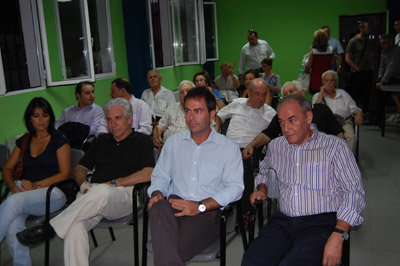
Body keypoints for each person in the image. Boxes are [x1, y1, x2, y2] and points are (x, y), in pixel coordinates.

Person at [17, 98, 155, 266]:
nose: (113, 124)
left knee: (102, 192)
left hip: (125, 195)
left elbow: (149, 173)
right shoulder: (101, 141)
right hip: (91, 194)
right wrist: (83, 184)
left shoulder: (142, 141)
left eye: (118, 118)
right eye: (109, 119)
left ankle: (50, 228)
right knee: (75, 227)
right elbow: (79, 168)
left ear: (130, 119)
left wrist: (115, 183)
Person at [242, 94, 366, 266]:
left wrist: (339, 234)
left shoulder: (335, 147)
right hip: (284, 222)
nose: (286, 128)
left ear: (308, 117)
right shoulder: (276, 146)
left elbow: (354, 192)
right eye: (281, 121)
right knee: (251, 261)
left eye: (292, 120)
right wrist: (262, 189)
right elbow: (264, 170)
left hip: (321, 224)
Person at [147, 87, 244, 266]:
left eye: (198, 111)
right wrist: (156, 193)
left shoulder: (228, 148)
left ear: (212, 114)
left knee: (170, 250)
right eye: (188, 111)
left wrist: (199, 206)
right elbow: (159, 176)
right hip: (173, 203)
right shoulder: (174, 143)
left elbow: (235, 188)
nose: (191, 117)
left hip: (206, 211)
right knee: (158, 206)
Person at [1, 97, 70, 266]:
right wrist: (11, 186)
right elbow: (7, 169)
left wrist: (36, 185)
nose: (41, 120)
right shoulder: (24, 140)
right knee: (13, 225)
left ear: (50, 117)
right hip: (25, 193)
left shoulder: (58, 139)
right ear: (29, 118)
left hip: (53, 192)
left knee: (12, 202)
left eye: (45, 116)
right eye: (36, 116)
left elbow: (64, 173)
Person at [215, 78, 276, 214]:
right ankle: (220, 204)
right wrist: (217, 127)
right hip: (227, 147)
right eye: (256, 94)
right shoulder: (237, 103)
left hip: (250, 149)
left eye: (263, 94)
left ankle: (245, 211)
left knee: (243, 165)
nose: (260, 98)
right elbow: (220, 115)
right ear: (248, 92)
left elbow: (273, 134)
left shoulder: (271, 113)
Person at [242, 81, 344, 160]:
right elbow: (266, 134)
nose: (289, 95)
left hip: (324, 156)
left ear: (302, 93)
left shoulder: (321, 109)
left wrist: (342, 154)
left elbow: (339, 134)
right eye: (285, 94)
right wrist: (251, 145)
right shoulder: (281, 116)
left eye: (291, 91)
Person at [313, 70, 362, 151]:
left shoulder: (343, 93)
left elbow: (354, 108)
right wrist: (321, 93)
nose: (329, 83)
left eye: (331, 80)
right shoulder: (317, 95)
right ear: (322, 82)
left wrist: (358, 113)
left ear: (335, 82)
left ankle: (345, 160)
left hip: (343, 121)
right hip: (326, 124)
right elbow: (316, 110)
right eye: (326, 80)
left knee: (351, 137)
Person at [55, 81, 104, 148]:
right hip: (66, 144)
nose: (92, 96)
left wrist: (75, 127)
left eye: (93, 92)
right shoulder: (67, 111)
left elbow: (94, 130)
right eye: (87, 93)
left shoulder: (97, 110)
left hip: (86, 145)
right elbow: (57, 126)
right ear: (78, 95)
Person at [153, 80, 194, 148]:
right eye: (181, 92)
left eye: (188, 91)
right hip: (168, 148)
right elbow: (159, 126)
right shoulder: (171, 108)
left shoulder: (200, 110)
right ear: (178, 95)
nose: (185, 94)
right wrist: (157, 136)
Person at [345, 21, 374, 113]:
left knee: (367, 93)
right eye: (367, 28)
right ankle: (354, 112)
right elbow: (347, 58)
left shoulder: (368, 41)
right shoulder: (353, 41)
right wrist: (355, 67)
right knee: (355, 93)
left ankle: (365, 112)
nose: (369, 30)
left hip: (367, 70)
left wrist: (372, 65)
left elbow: (371, 54)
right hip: (357, 71)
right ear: (361, 29)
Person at [375, 34, 400, 123]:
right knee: (375, 86)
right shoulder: (383, 52)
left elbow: (390, 67)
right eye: (381, 44)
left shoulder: (396, 51)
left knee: (381, 89)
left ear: (389, 43)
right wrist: (379, 78)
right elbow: (382, 66)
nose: (382, 46)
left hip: (397, 76)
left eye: (384, 44)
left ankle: (379, 117)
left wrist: (382, 81)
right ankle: (377, 116)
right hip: (389, 77)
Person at [305, 29, 335, 94]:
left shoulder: (313, 51)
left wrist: (306, 70)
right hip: (327, 79)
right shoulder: (331, 50)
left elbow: (309, 65)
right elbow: (332, 62)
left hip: (315, 79)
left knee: (316, 98)